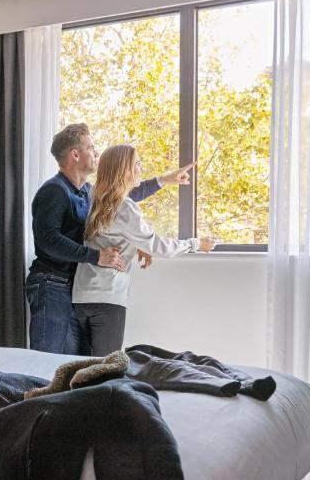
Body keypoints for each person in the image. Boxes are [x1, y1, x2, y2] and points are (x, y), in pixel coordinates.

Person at [26, 124, 193, 355]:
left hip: (72, 285)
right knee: (46, 359)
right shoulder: (54, 191)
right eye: (91, 148)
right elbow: (48, 239)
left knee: (74, 363)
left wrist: (163, 181)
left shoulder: (86, 191)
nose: (96, 153)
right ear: (75, 154)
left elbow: (119, 197)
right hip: (51, 282)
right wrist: (96, 256)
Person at [72, 144, 216, 356]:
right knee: (105, 369)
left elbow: (113, 235)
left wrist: (137, 245)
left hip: (81, 296)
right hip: (108, 298)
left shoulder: (94, 199)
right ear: (125, 171)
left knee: (82, 368)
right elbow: (158, 246)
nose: (141, 167)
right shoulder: (124, 207)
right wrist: (196, 244)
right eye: (137, 164)